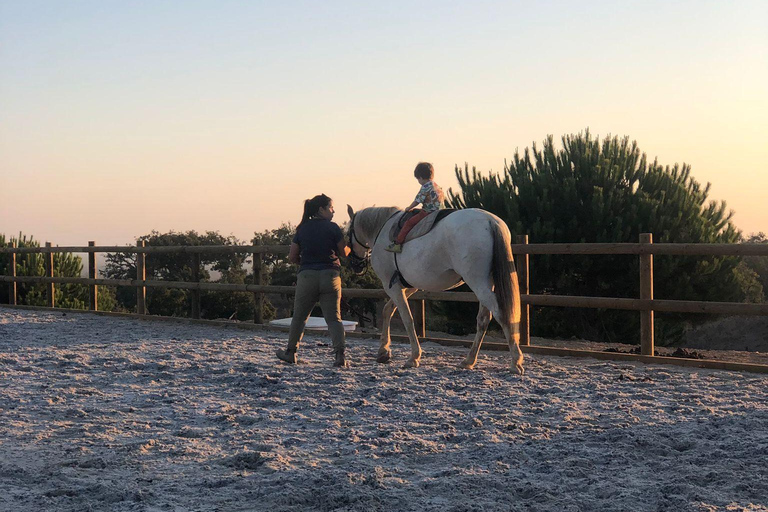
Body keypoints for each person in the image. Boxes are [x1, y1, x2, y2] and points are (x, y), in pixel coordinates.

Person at [276, 194, 351, 367]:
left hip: (307, 276)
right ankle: (340, 355)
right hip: (330, 276)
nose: (333, 211)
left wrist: (305, 264)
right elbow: (343, 252)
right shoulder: (333, 228)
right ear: (321, 209)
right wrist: (350, 247)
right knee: (334, 318)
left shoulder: (302, 229)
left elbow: (292, 256)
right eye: (331, 207)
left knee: (299, 317)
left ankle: (291, 352)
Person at [385, 162, 445, 253]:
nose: (419, 182)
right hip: (440, 211)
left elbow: (418, 200)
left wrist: (409, 208)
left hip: (428, 212)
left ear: (420, 177)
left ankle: (397, 244)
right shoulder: (437, 186)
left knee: (409, 223)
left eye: (418, 179)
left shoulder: (425, 186)